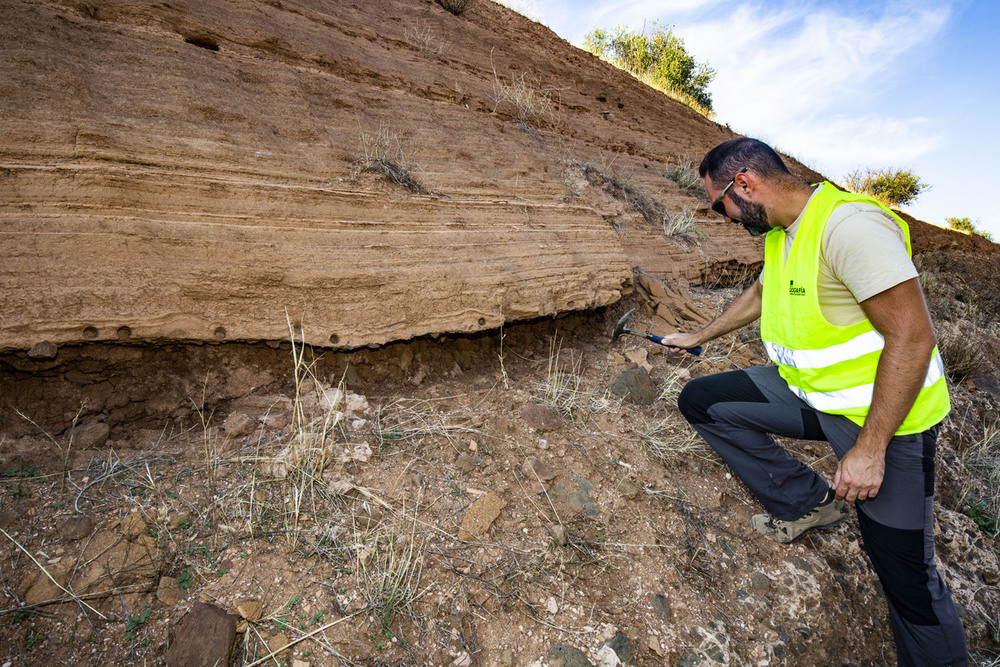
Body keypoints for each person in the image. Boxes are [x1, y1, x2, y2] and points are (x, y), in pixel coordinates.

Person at [659, 137, 969, 666]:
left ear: (745, 184)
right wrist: (699, 337)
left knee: (906, 580)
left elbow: (914, 339)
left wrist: (870, 450)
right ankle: (809, 504)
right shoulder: (782, 232)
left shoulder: (848, 228)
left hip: (886, 421)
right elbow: (761, 293)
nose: (726, 219)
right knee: (704, 402)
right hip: (814, 396)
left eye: (721, 206)